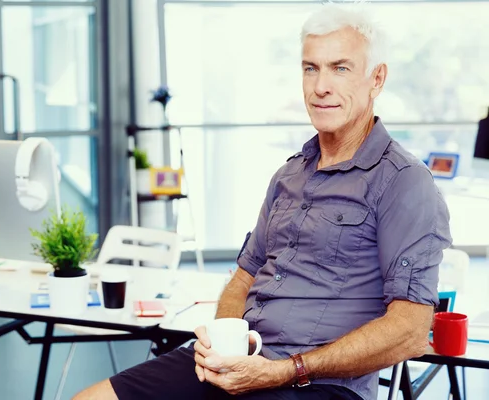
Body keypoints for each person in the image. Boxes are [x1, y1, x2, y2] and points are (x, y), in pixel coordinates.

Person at [73, 3, 452, 400]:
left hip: (318, 385)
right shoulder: (288, 176)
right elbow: (243, 277)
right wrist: (225, 347)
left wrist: (285, 370)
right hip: (242, 365)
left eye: (340, 68)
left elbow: (410, 332)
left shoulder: (405, 182)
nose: (320, 86)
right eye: (311, 68)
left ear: (377, 78)